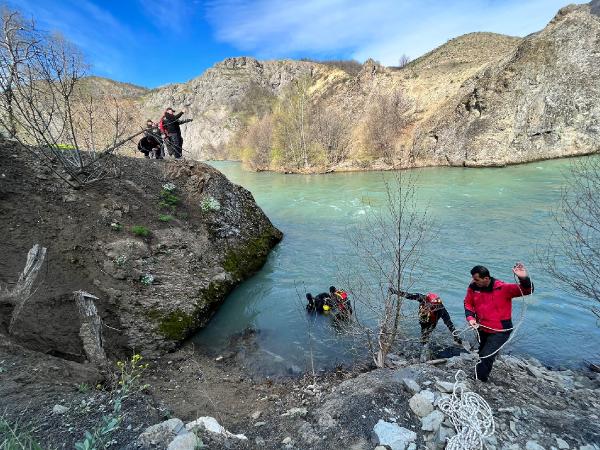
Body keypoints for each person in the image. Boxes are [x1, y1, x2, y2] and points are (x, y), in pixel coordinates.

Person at [464, 262, 533, 382]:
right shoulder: (473, 287)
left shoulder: (503, 288)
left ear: (486, 278)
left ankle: (479, 380)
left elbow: (527, 290)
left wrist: (523, 278)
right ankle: (481, 372)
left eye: (476, 279)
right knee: (482, 352)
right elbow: (468, 303)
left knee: (486, 355)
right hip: (482, 327)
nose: (473, 281)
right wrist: (471, 318)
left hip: (500, 330)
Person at [389, 288, 462, 350]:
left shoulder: (441, 309)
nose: (435, 307)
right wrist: (395, 292)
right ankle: (424, 343)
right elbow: (408, 295)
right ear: (427, 301)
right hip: (424, 318)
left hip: (433, 320)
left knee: (428, 333)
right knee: (423, 332)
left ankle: (425, 346)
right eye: (434, 306)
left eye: (437, 306)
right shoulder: (422, 298)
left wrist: (456, 336)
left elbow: (449, 323)